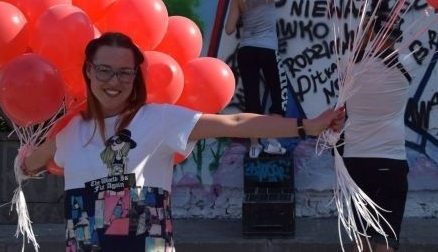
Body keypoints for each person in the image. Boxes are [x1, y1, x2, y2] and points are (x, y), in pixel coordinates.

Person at [23, 31, 345, 252]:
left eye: (125, 72)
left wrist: (308, 126)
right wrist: (24, 162)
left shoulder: (159, 120)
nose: (114, 81)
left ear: (136, 77)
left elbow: (235, 121)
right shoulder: (69, 133)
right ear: (89, 71)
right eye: (104, 70)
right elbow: (32, 164)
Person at [338, 0, 412, 252]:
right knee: (386, 240)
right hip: (391, 161)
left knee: (361, 240)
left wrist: (366, 30)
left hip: (355, 160)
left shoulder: (351, 65)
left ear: (371, 32)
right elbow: (388, 55)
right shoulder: (407, 63)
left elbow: (360, 51)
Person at [223, 0, 286, 158]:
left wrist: (241, 18)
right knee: (277, 96)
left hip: (246, 50)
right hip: (267, 49)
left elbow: (229, 30)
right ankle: (271, 140)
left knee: (252, 99)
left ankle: (255, 146)